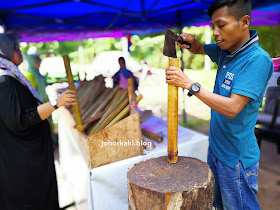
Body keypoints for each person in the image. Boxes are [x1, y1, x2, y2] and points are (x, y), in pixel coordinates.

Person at [165, 0, 273, 209]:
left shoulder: (257, 60)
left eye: (221, 25)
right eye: (212, 26)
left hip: (236, 159)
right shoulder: (227, 50)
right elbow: (198, 49)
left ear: (244, 22)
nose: (215, 32)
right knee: (219, 205)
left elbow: (233, 108)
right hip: (217, 148)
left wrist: (189, 84)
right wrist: (189, 41)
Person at [0, 33, 77, 210]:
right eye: (17, 49)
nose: (20, 53)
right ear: (7, 52)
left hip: (22, 159)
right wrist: (56, 104)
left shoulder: (10, 76)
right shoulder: (5, 81)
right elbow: (18, 120)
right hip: (23, 163)